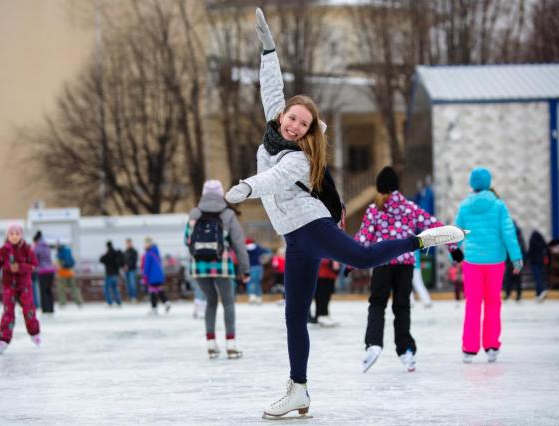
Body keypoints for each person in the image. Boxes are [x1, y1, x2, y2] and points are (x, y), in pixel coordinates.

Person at [223, 8, 466, 419]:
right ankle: (298, 389)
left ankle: (424, 239)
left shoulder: (298, 159)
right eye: (292, 118)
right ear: (283, 116)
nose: (295, 126)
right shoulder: (273, 125)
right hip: (294, 239)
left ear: (309, 132)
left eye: (303, 124)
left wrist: (247, 187)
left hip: (309, 225)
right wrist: (268, 49)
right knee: (294, 316)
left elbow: (275, 179)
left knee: (363, 256)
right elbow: (271, 86)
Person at [353, 166, 459, 373]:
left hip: (382, 264)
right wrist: (453, 248)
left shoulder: (374, 210)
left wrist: (350, 263)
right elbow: (435, 226)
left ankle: (373, 344)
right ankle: (406, 351)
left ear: (379, 188)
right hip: (406, 265)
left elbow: (363, 238)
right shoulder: (410, 208)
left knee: (377, 304)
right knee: (402, 307)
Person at [455, 168, 522, 364]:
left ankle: (469, 348)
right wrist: (516, 257)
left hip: (472, 262)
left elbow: (457, 232)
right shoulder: (499, 205)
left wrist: (453, 253)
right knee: (493, 302)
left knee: (473, 305)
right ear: (488, 182)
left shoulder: (465, 206)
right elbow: (508, 232)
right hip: (495, 262)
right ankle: (492, 345)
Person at [185, 179, 250, 359]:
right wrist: (245, 269)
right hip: (222, 265)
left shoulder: (194, 213)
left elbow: (187, 240)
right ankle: (231, 345)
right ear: (221, 193)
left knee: (210, 301)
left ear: (204, 194)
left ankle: (211, 345)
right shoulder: (228, 214)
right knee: (228, 302)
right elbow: (239, 244)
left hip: (198, 266)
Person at [0, 224, 41, 354]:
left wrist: (21, 267)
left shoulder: (27, 249)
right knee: (8, 313)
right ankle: (3, 340)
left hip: (24, 286)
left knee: (29, 309)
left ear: (21, 235)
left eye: (17, 234)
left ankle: (34, 332)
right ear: (7, 235)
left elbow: (34, 266)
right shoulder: (1, 251)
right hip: (8, 286)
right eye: (11, 234)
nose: (14, 236)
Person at [142, 237, 171, 314]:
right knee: (159, 290)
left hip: (152, 277)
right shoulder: (156, 252)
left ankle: (154, 308)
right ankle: (166, 302)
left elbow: (146, 267)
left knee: (152, 292)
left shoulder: (148, 254)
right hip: (159, 276)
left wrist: (145, 276)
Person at [310, 259, 340, 327]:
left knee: (326, 297)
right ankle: (321, 315)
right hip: (322, 276)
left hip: (330, 276)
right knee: (321, 297)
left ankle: (324, 315)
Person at [33, 231, 56, 314]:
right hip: (51, 270)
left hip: (42, 271)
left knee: (43, 291)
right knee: (49, 290)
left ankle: (45, 309)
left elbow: (35, 259)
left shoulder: (37, 247)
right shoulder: (47, 246)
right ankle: (51, 308)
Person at [503, 221, 526, 302]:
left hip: (511, 260)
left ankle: (508, 294)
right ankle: (518, 295)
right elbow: (523, 248)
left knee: (509, 278)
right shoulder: (519, 236)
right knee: (517, 278)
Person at [55, 242, 83, 307]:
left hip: (62, 274)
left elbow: (57, 265)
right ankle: (79, 301)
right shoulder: (68, 252)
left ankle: (62, 303)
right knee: (74, 288)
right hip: (70, 273)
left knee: (61, 289)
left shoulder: (59, 254)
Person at [245, 238, 269, 304]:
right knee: (257, 282)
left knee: (250, 282)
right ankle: (259, 297)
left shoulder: (245, 249)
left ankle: (252, 296)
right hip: (258, 267)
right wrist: (263, 260)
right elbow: (268, 252)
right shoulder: (258, 247)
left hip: (249, 267)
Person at [99, 241, 123, 307]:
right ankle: (118, 301)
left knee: (106, 288)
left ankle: (109, 302)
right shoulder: (116, 253)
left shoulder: (108, 254)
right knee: (115, 288)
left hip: (109, 274)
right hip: (116, 274)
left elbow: (101, 260)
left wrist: (105, 253)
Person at [528, 230, 549, 302]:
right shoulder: (542, 241)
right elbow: (547, 249)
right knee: (539, 277)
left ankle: (542, 290)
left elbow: (530, 251)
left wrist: (525, 260)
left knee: (537, 278)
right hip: (541, 262)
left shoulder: (532, 241)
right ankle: (538, 295)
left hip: (534, 262)